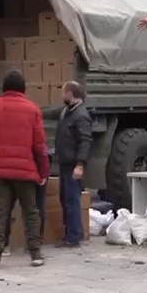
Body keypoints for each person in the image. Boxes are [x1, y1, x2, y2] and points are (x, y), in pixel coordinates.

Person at [0, 69, 50, 268]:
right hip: (26, 172)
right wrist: (43, 172)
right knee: (30, 212)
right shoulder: (33, 110)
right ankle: (35, 254)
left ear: (4, 88)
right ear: (23, 89)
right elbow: (40, 146)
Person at [53, 81, 92, 248]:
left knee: (72, 200)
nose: (62, 96)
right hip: (65, 163)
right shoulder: (67, 112)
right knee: (65, 199)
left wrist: (80, 164)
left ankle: (74, 237)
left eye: (64, 93)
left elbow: (85, 141)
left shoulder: (81, 116)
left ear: (71, 94)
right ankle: (72, 233)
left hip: (72, 165)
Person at [0, 146, 50, 256]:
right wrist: (44, 172)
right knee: (33, 210)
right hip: (29, 168)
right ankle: (34, 249)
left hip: (7, 168)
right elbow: (40, 148)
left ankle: (1, 247)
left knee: (3, 209)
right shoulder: (33, 128)